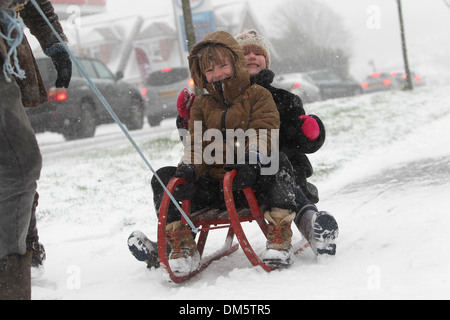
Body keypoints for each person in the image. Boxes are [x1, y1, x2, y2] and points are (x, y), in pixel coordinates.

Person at [0, 0, 71, 300]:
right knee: (19, 164)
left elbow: (33, 2)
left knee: (18, 162)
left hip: (6, 51)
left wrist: (54, 42)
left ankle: (25, 249)